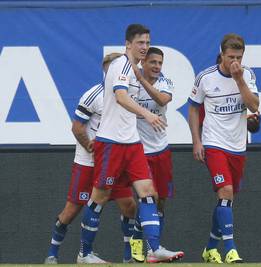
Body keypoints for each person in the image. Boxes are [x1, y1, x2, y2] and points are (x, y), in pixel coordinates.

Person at [76, 24, 183, 264]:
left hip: (132, 142)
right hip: (111, 141)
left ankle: (154, 248)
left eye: (147, 42)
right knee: (99, 198)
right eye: (140, 43)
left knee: (148, 194)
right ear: (127, 44)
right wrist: (147, 114)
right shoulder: (121, 65)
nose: (144, 47)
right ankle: (85, 253)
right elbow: (121, 96)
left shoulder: (134, 69)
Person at [44, 52, 137, 264]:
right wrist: (89, 145)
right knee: (72, 210)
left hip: (114, 162)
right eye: (111, 68)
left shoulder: (127, 95)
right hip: (88, 162)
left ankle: (128, 256)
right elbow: (76, 126)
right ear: (106, 70)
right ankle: (52, 254)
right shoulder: (94, 95)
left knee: (129, 205)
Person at [188, 33, 259, 263]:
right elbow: (193, 109)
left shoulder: (246, 74)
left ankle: (210, 247)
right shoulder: (205, 78)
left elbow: (254, 105)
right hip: (214, 142)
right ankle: (230, 249)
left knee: (226, 200)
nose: (234, 62)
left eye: (238, 57)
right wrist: (197, 141)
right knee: (225, 192)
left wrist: (239, 80)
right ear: (222, 53)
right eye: (230, 57)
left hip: (238, 145)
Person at [128, 47, 184, 262]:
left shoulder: (164, 82)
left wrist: (142, 80)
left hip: (161, 149)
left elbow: (162, 100)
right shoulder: (131, 84)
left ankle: (148, 244)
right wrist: (139, 80)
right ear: (143, 62)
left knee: (161, 201)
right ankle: (148, 244)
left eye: (160, 63)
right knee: (149, 195)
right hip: (139, 150)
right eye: (153, 62)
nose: (157, 67)